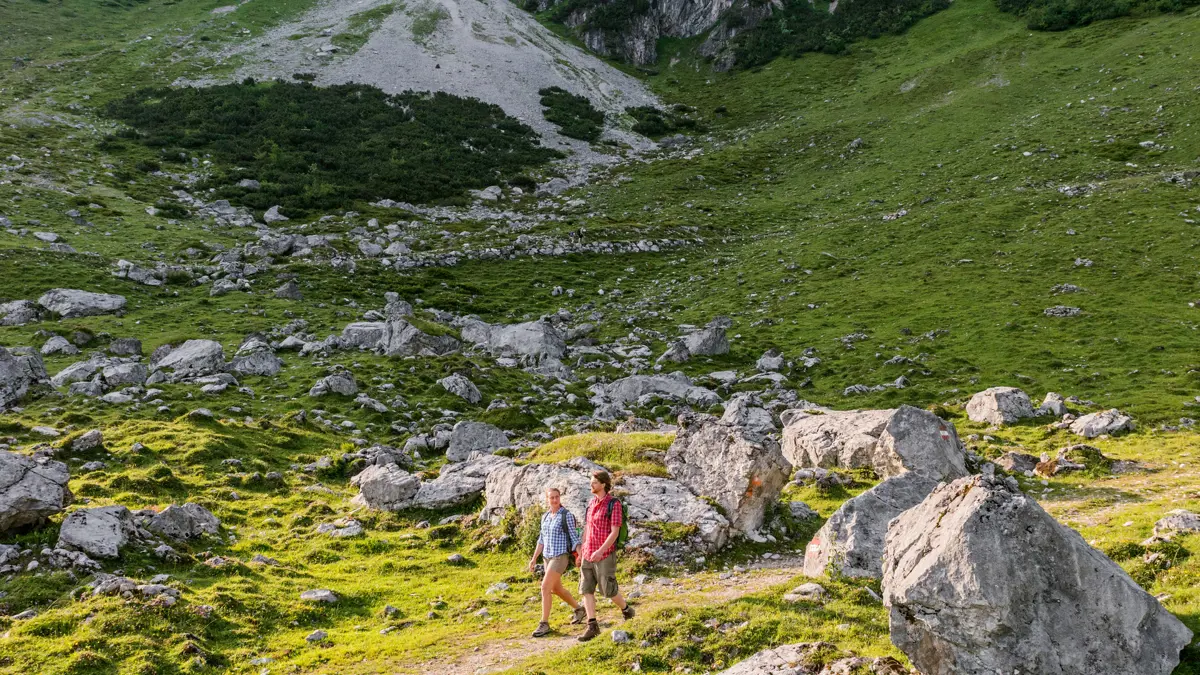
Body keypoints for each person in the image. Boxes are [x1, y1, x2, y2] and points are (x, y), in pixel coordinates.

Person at [576, 470, 634, 642]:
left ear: (603, 484)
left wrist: (600, 551)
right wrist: (581, 550)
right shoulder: (591, 503)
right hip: (587, 553)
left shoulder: (613, 504)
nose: (591, 485)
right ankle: (592, 625)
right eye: (591, 481)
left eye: (594, 482)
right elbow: (587, 528)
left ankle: (626, 610)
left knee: (608, 590)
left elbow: (615, 532)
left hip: (604, 554)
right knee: (586, 589)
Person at [527, 487, 587, 637]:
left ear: (560, 498)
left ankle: (544, 623)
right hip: (547, 557)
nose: (554, 500)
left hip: (560, 557)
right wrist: (534, 558)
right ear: (547, 499)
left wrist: (580, 556)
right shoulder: (545, 516)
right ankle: (579, 609)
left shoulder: (566, 515)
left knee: (545, 587)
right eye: (551, 497)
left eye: (557, 497)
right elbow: (541, 539)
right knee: (556, 589)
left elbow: (574, 537)